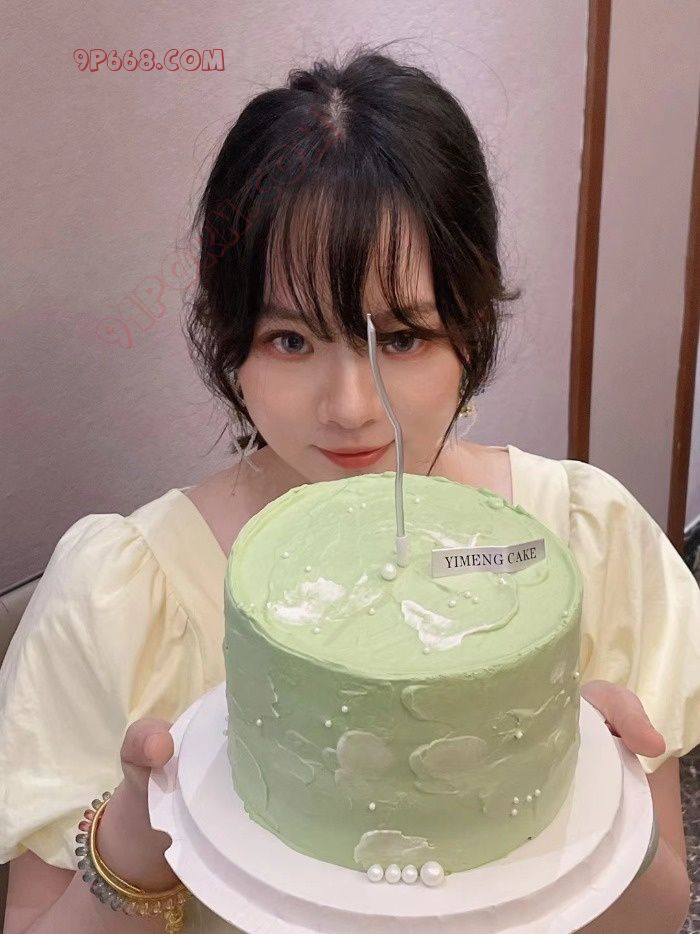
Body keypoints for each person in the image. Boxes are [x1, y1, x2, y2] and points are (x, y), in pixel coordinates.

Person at [1, 43, 697, 934]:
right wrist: (136, 840)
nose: (352, 408)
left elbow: (661, 914)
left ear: (472, 323)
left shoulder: (588, 542)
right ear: (230, 339)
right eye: (291, 341)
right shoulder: (116, 594)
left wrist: (600, 804)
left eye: (402, 338)